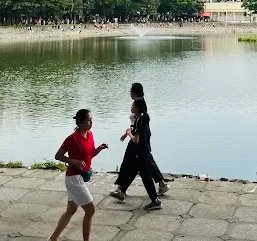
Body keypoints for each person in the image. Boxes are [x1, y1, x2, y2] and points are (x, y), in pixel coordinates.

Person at [49, 109, 109, 241]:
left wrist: (99, 148)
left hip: (84, 176)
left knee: (71, 210)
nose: (91, 122)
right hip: (74, 178)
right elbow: (58, 156)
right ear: (81, 122)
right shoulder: (72, 139)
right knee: (91, 210)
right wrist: (73, 161)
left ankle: (52, 239)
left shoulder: (90, 134)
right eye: (88, 120)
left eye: (91, 119)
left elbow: (90, 154)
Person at [111, 83, 168, 199]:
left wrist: (128, 134)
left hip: (139, 138)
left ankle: (121, 187)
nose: (130, 94)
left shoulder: (139, 105)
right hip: (141, 137)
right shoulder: (141, 103)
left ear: (134, 92)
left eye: (130, 91)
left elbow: (137, 125)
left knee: (132, 162)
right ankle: (123, 188)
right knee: (143, 161)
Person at [110, 99, 162, 210]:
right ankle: (122, 192)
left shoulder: (139, 120)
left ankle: (155, 200)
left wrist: (128, 134)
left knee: (146, 177)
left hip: (141, 152)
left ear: (137, 108)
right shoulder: (143, 118)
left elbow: (136, 140)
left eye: (133, 105)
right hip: (143, 151)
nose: (131, 107)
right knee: (132, 171)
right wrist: (127, 133)